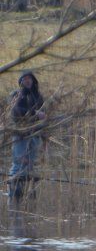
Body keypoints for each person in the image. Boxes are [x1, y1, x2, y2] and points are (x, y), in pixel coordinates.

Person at [7, 71, 46, 202]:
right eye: (25, 79)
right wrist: (34, 113)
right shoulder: (17, 95)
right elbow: (16, 112)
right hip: (20, 134)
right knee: (18, 163)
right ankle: (13, 194)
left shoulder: (38, 96)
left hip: (35, 133)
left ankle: (27, 195)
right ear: (21, 82)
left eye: (29, 79)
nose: (27, 81)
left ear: (33, 81)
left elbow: (43, 114)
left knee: (30, 164)